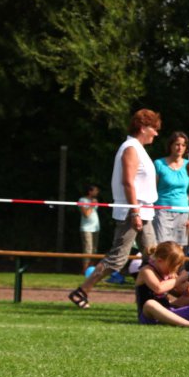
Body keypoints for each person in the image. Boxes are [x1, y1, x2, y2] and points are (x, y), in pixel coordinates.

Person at [68, 109, 161, 309]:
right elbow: (128, 182)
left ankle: (149, 298)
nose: (156, 133)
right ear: (143, 128)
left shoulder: (138, 148)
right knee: (117, 259)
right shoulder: (131, 148)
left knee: (152, 257)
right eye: (154, 128)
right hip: (133, 212)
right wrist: (135, 211)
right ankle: (82, 291)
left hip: (144, 211)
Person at [135, 241, 189, 328]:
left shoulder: (168, 273)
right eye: (172, 266)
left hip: (168, 309)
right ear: (159, 261)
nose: (174, 269)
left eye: (177, 267)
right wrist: (180, 279)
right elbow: (159, 288)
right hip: (150, 315)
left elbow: (186, 294)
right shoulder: (146, 271)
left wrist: (185, 286)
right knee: (150, 304)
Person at [153, 131, 189, 246]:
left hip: (183, 212)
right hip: (161, 211)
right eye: (177, 144)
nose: (180, 148)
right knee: (162, 246)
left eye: (183, 145)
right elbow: (152, 190)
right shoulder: (159, 164)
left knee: (179, 249)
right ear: (170, 145)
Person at [77, 184, 100, 270]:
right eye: (95, 190)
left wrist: (93, 203)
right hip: (86, 228)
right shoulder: (82, 200)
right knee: (88, 249)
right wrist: (91, 205)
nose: (97, 192)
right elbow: (86, 214)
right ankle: (85, 270)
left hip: (96, 228)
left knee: (94, 250)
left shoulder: (95, 200)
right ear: (90, 191)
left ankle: (91, 270)